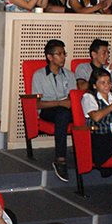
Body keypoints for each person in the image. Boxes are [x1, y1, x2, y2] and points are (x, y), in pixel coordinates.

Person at [32, 40, 75, 182]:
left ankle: (89, 154)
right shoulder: (39, 75)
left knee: (79, 113)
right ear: (49, 57)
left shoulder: (69, 75)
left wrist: (67, 103)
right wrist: (59, 103)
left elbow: (72, 98)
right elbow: (37, 104)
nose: (63, 57)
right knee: (62, 113)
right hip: (48, 110)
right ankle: (60, 159)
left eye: (64, 54)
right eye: (59, 54)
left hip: (66, 109)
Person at [81, 68, 112, 168]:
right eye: (102, 83)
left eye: (109, 82)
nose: (107, 85)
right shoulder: (89, 97)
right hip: (99, 137)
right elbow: (96, 117)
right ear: (95, 85)